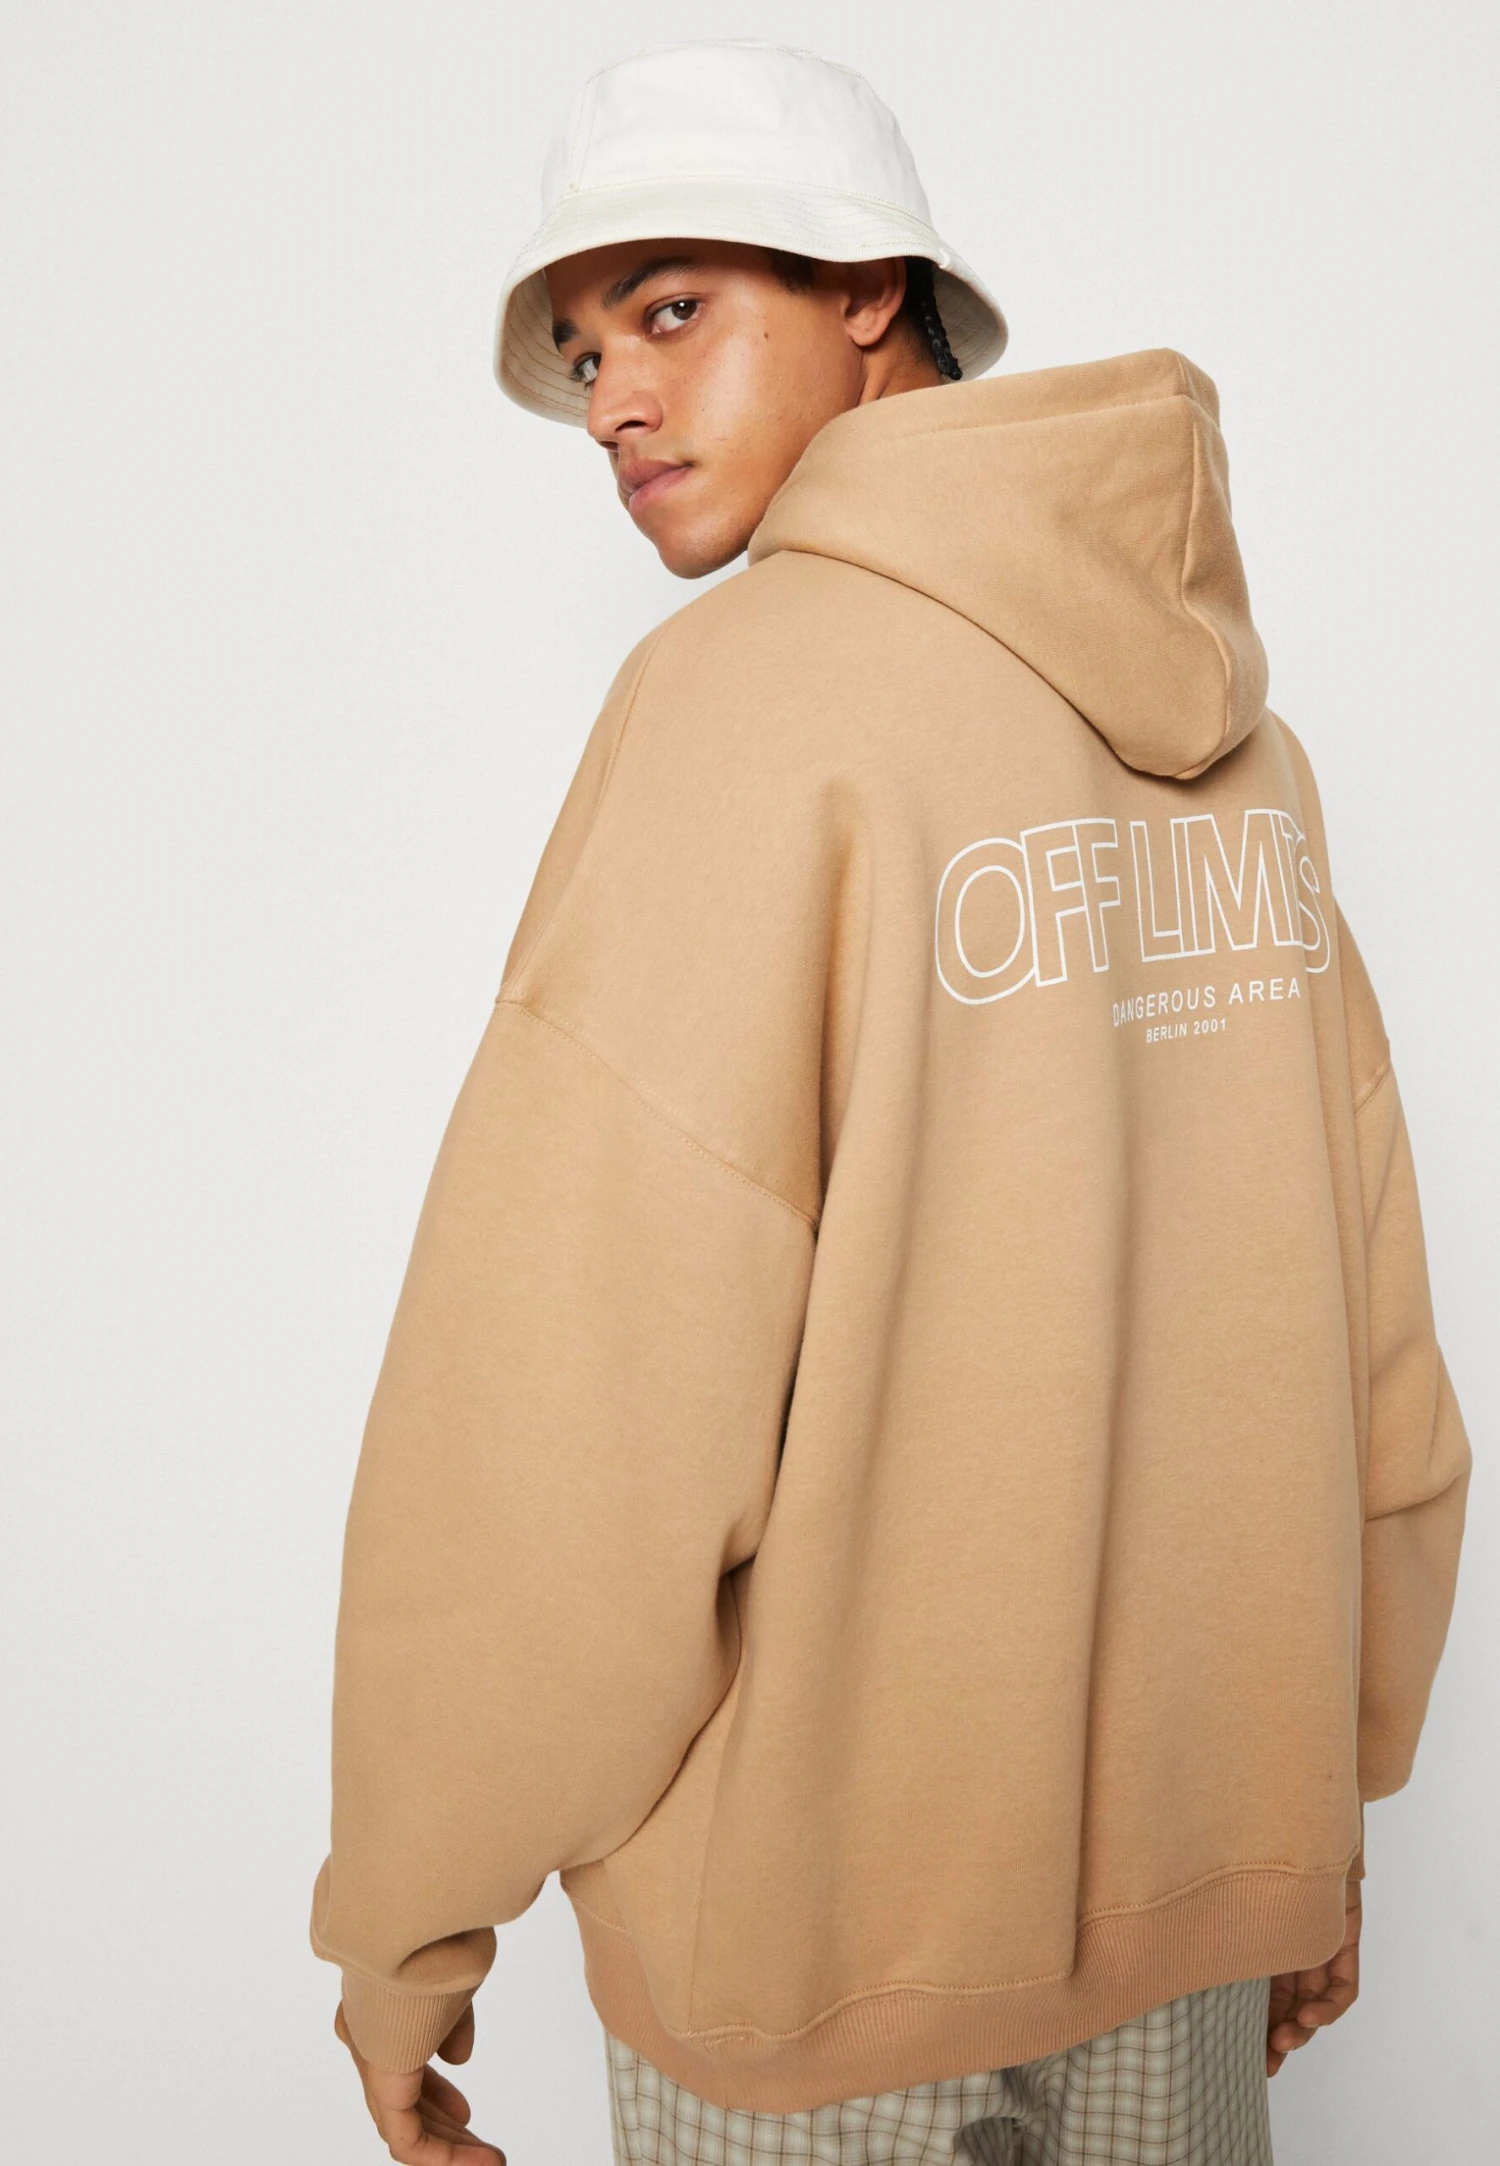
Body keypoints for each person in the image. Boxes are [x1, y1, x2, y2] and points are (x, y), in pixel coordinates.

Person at [309, 38, 1471, 2166]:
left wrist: (407, 1915)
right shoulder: (1252, 757)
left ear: (869, 286)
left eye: (670, 308)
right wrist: (1315, 1812)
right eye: (585, 356)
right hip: (1201, 1890)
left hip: (822, 1953)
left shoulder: (737, 711)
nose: (616, 401)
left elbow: (566, 1403)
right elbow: (1372, 1331)